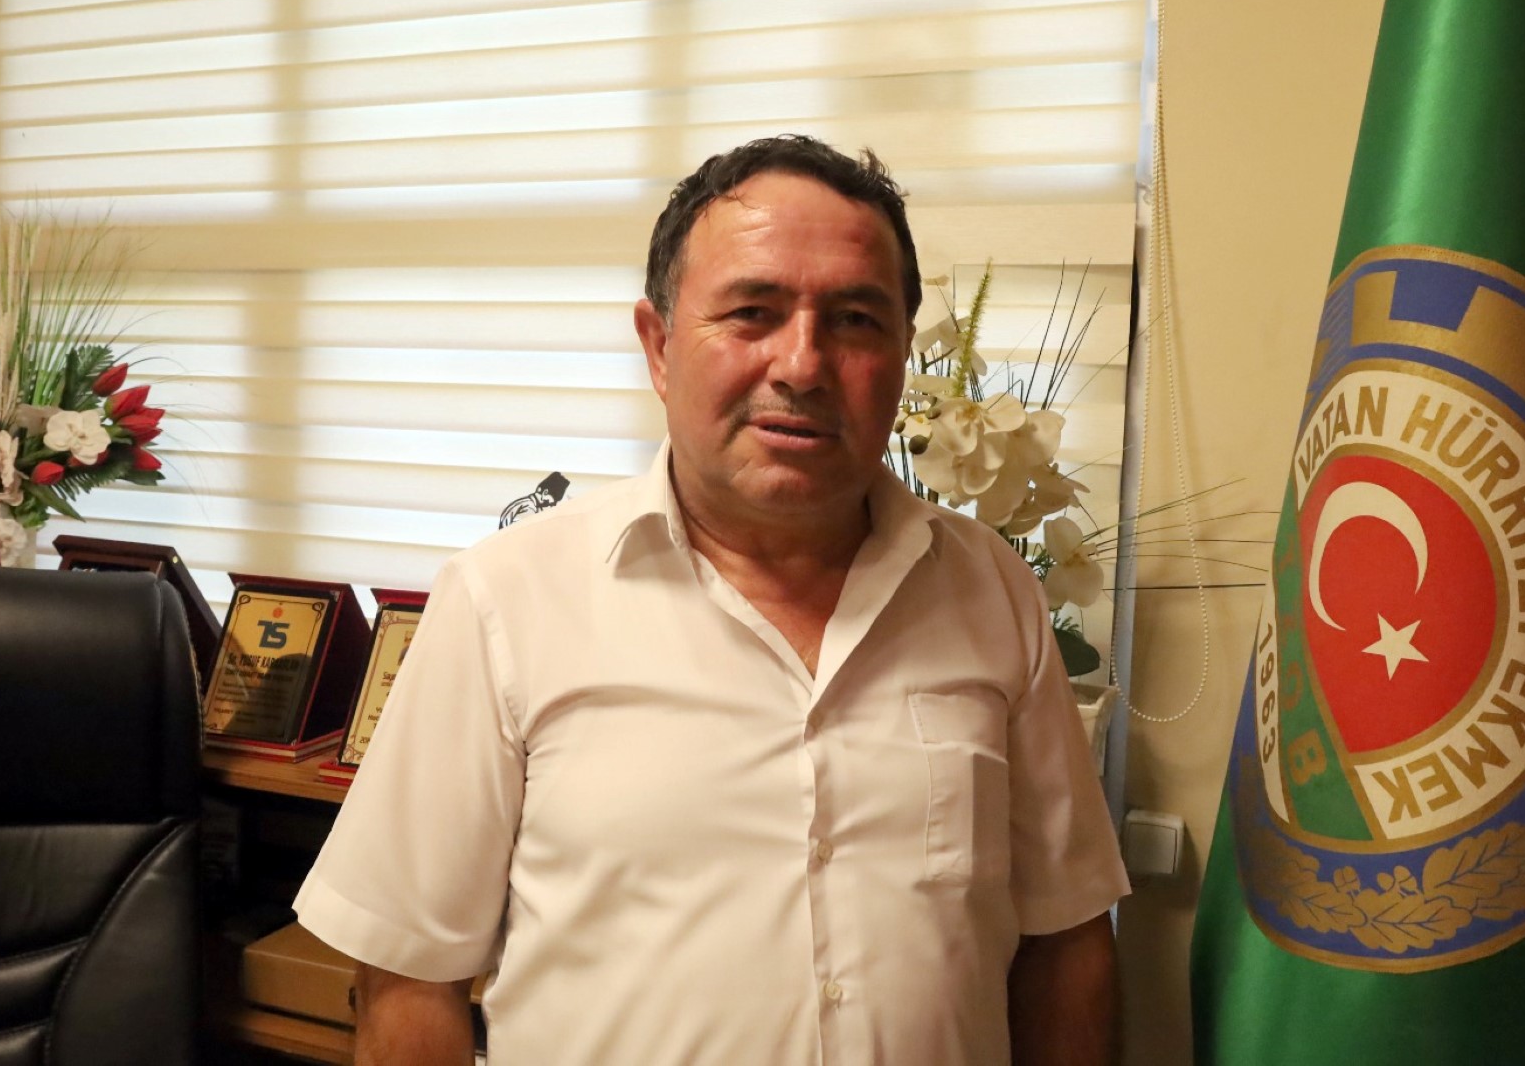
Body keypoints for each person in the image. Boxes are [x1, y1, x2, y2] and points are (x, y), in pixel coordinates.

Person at [294, 134, 1130, 1065]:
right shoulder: (506, 601)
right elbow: (409, 979)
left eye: (856, 320)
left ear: (901, 353)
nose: (803, 365)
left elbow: (1065, 939)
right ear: (658, 347)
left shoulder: (992, 591)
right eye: (752, 313)